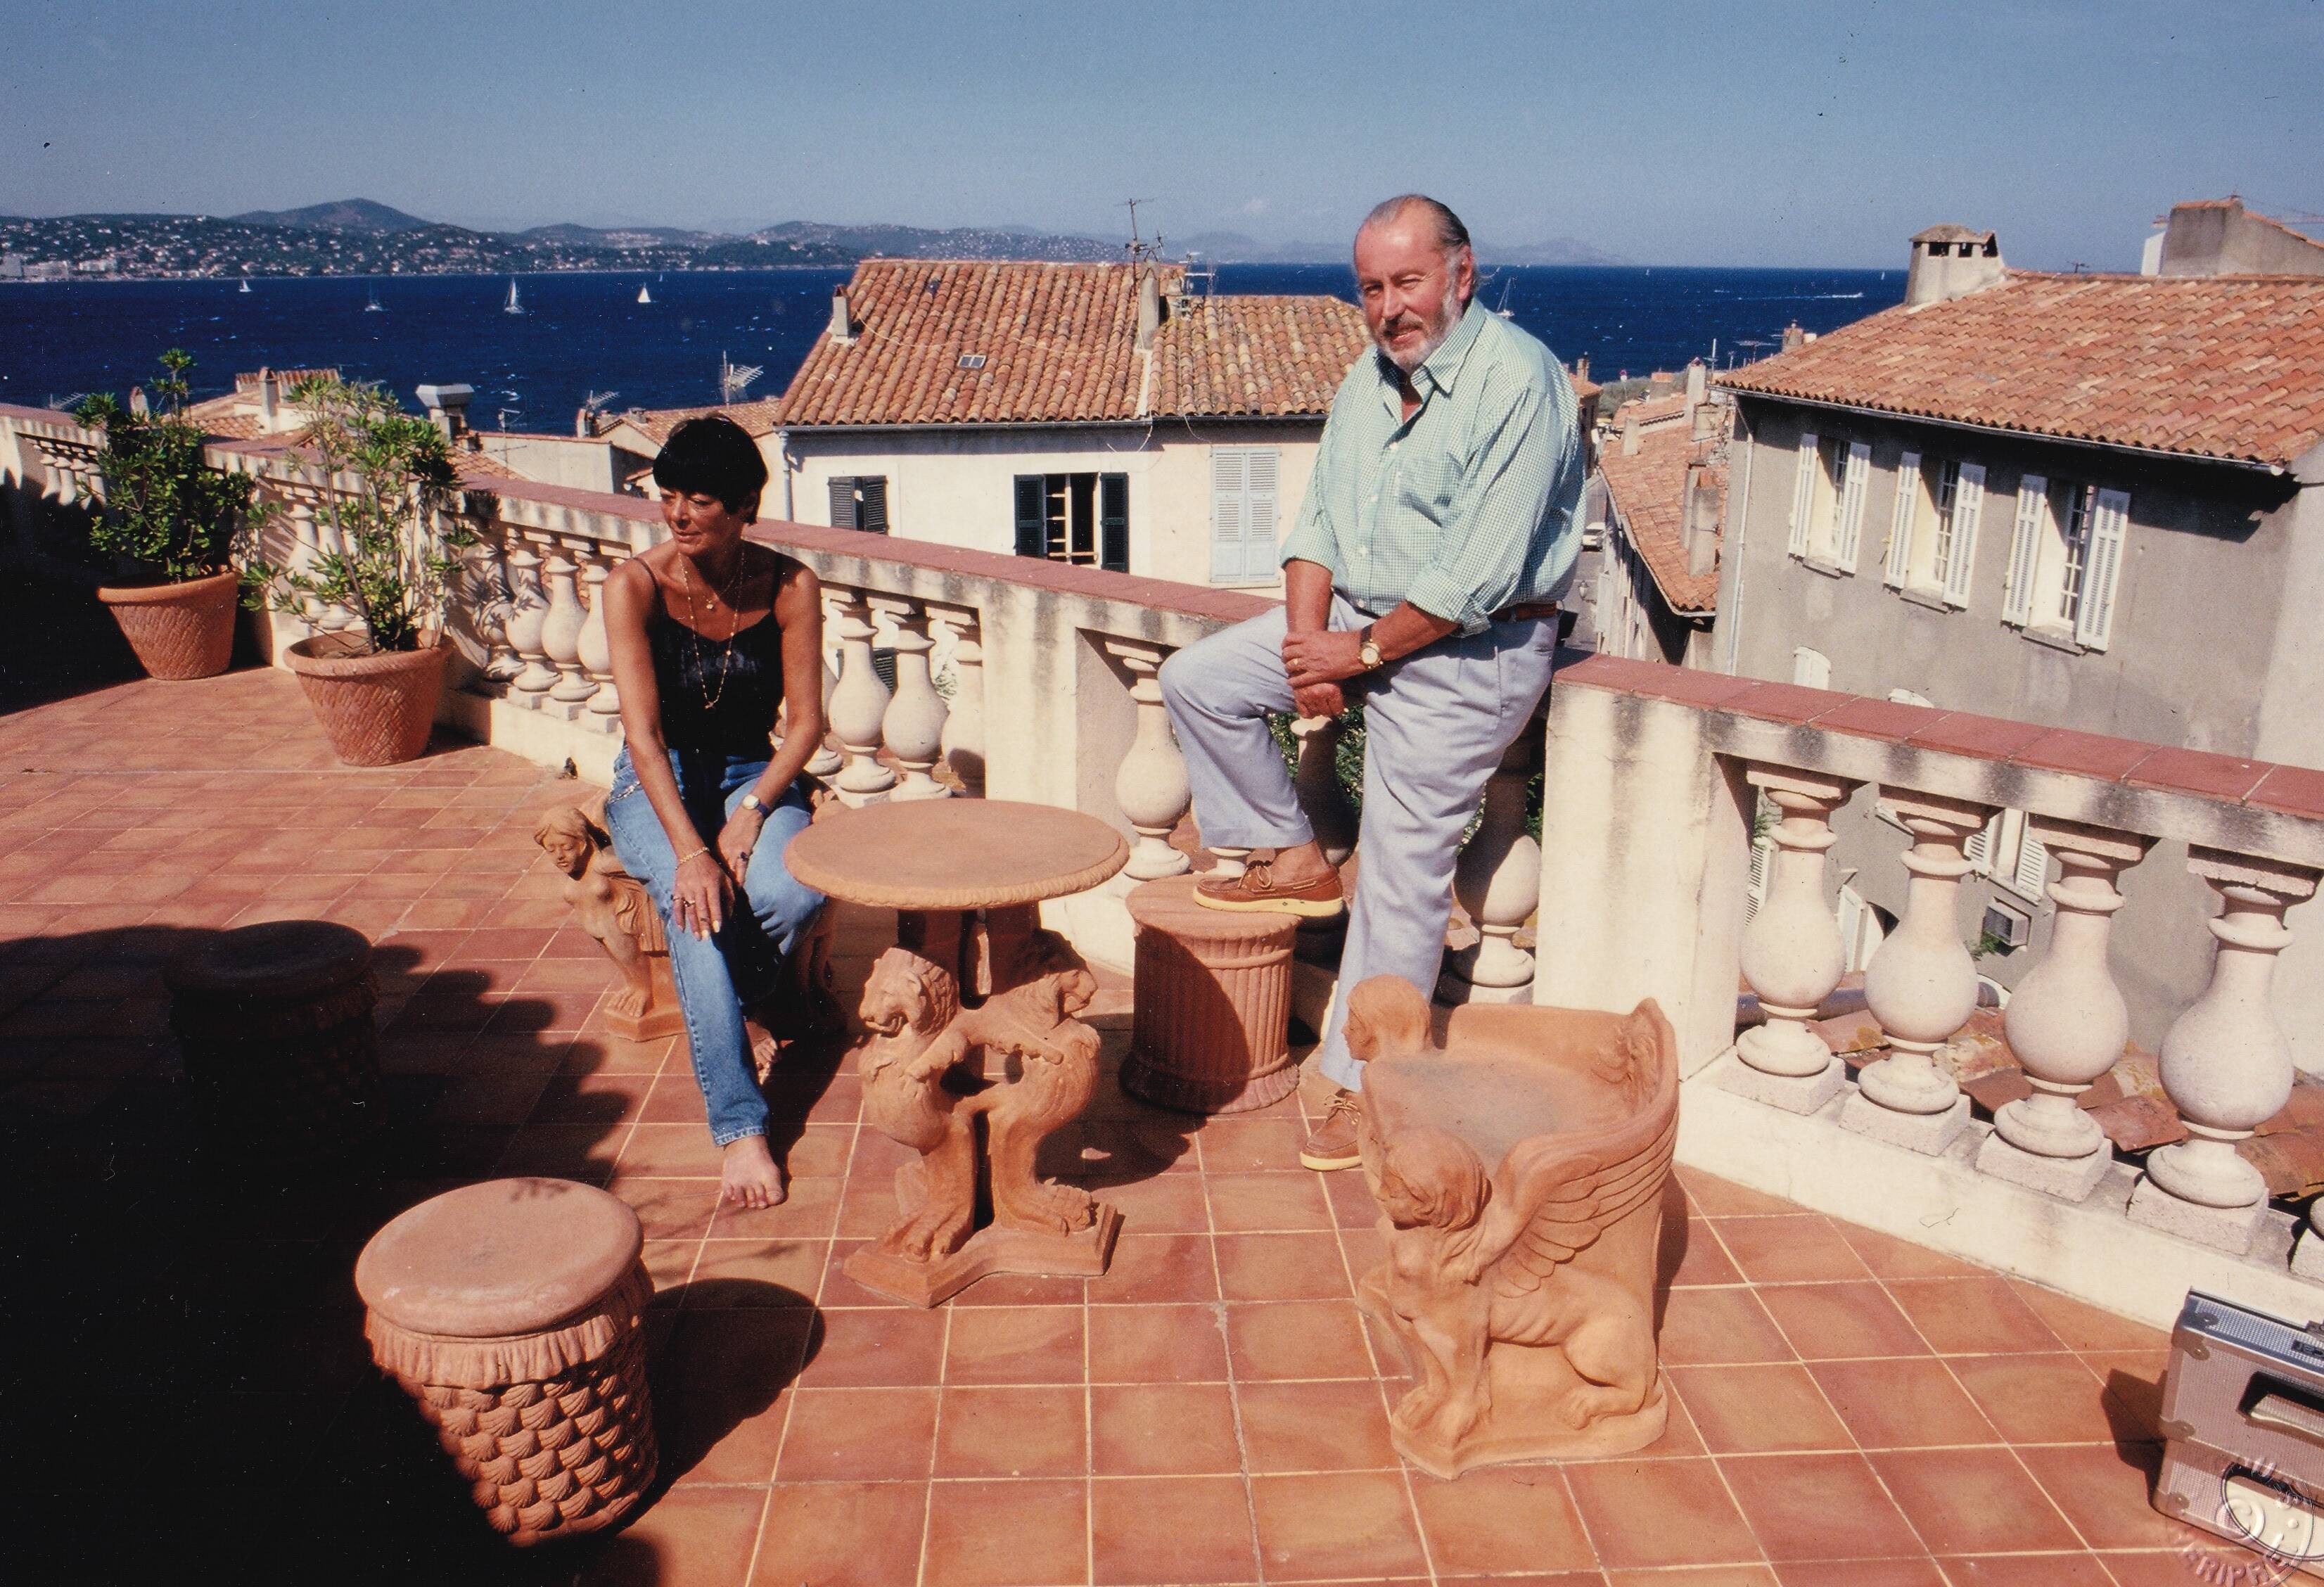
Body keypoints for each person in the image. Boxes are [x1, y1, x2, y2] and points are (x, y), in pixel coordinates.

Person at [1158, 193, 1583, 1171]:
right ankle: (1291, 853)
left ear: (1461, 277)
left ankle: (1371, 1082)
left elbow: (1474, 576)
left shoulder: (1518, 383)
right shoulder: (1369, 377)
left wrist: (1364, 656)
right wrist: (1312, 652)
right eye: (1372, 288)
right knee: (1199, 681)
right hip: (1360, 627)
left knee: (1401, 865)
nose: (1391, 307)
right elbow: (1317, 528)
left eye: (1409, 282)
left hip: (1474, 648)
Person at [601, 413, 827, 1209]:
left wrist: (756, 808)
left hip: (751, 775)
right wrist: (693, 851)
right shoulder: (633, 587)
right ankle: (739, 1127)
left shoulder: (790, 585)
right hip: (654, 783)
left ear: (743, 508)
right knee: (695, 908)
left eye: (700, 501)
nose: (678, 515)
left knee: (794, 890)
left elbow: (806, 726)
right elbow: (643, 737)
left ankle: (740, 1006)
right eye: (668, 497)